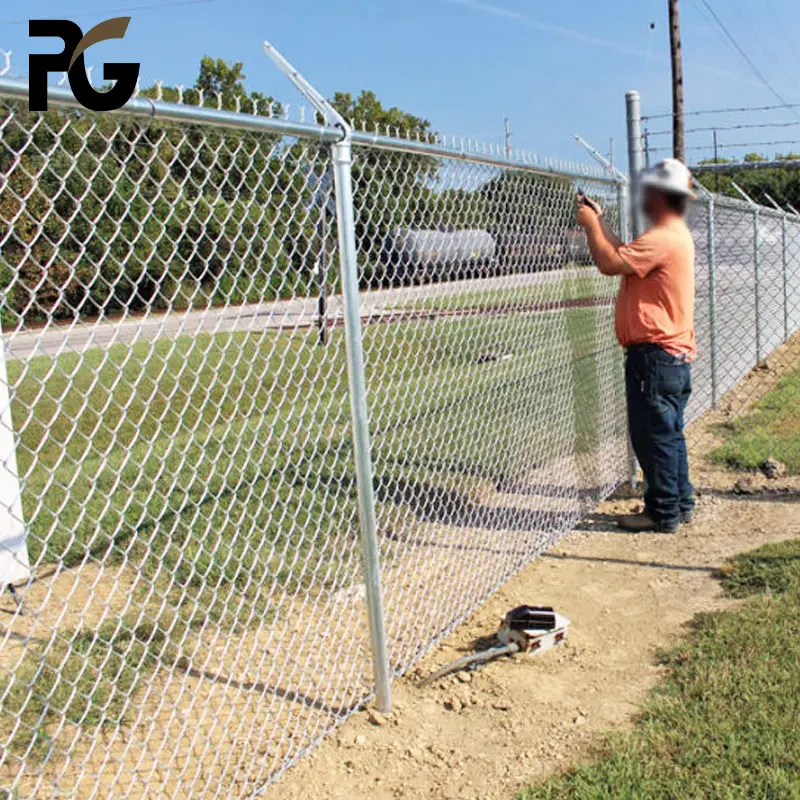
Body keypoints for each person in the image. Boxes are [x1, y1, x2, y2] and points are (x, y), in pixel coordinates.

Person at [576, 158, 696, 533]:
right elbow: (624, 256)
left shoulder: (661, 238)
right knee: (670, 434)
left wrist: (590, 225)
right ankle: (680, 501)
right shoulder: (672, 233)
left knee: (653, 436)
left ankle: (662, 512)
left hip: (655, 357)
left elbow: (610, 263)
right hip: (670, 355)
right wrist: (602, 221)